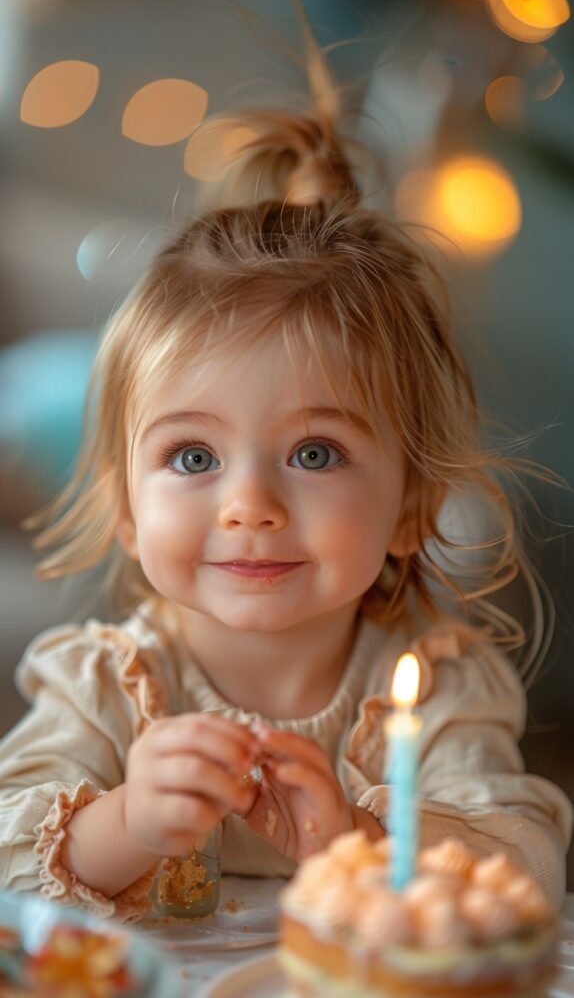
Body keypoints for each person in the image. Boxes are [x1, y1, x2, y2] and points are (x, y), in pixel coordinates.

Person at [0, 62, 571, 924]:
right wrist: (122, 824)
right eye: (192, 458)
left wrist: (368, 846)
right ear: (124, 506)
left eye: (314, 452)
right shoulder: (107, 684)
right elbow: (10, 861)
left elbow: (527, 866)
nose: (248, 505)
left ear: (413, 504)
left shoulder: (431, 691)